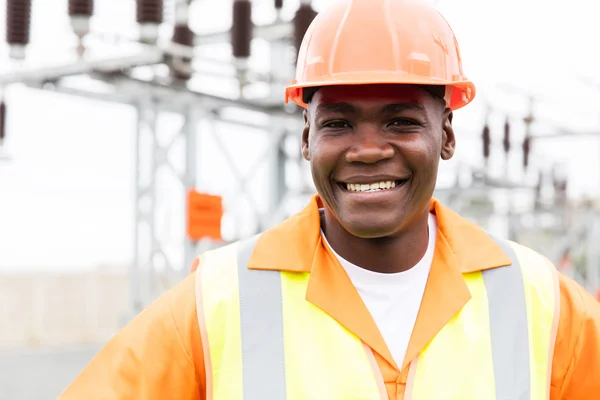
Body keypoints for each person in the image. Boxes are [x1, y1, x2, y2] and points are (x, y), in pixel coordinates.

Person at [59, 0, 600, 398]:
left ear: (448, 135)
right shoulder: (218, 301)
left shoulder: (539, 301)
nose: (367, 150)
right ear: (306, 139)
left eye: (401, 121)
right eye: (338, 123)